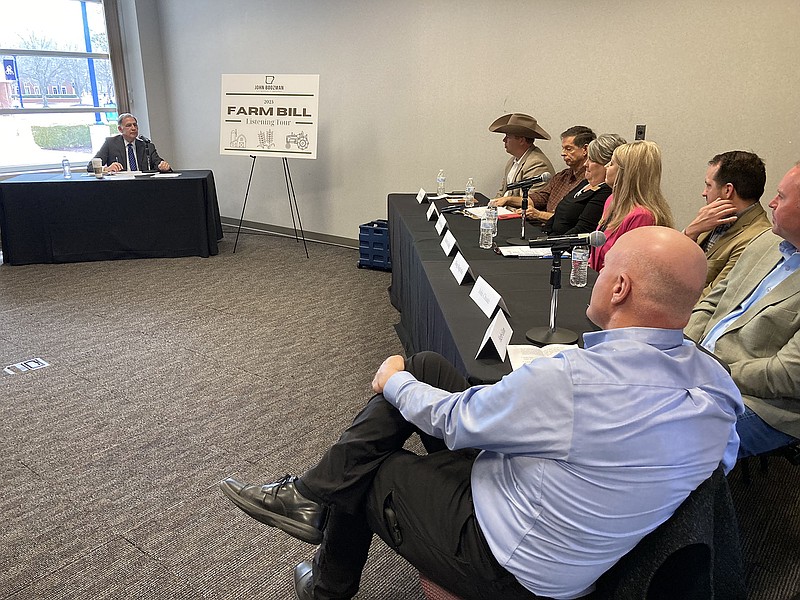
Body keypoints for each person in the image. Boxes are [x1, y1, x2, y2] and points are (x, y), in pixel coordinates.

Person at [219, 227, 742, 600]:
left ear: (621, 289)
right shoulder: (717, 386)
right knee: (428, 366)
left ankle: (327, 579)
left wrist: (391, 380)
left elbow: (456, 422)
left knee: (375, 464)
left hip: (511, 564)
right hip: (571, 530)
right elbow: (717, 468)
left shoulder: (573, 382)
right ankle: (309, 497)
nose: (597, 278)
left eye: (604, 271)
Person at [685, 162, 800, 458]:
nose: (771, 203)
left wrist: (712, 371)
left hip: (765, 403)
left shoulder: (759, 234)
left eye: (781, 197)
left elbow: (787, 374)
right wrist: (685, 348)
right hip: (701, 366)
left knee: (673, 441)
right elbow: (714, 300)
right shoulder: (767, 242)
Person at [683, 151, 772, 299]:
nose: (704, 193)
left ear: (727, 190)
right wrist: (691, 232)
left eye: (708, 185)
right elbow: (670, 269)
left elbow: (713, 298)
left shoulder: (754, 239)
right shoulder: (712, 217)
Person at [589, 140, 674, 271]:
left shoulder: (642, 216)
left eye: (611, 163)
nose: (606, 167)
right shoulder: (611, 201)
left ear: (625, 174)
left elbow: (628, 267)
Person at [533, 133, 626, 235]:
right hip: (549, 240)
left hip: (566, 247)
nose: (586, 164)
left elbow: (582, 230)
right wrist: (541, 237)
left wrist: (549, 244)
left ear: (607, 164)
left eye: (591, 160)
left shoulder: (606, 192)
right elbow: (556, 216)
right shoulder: (585, 182)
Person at [495, 125, 595, 214]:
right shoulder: (562, 176)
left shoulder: (590, 181)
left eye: (568, 149)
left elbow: (568, 219)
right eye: (563, 148)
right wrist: (508, 200)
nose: (563, 153)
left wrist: (539, 215)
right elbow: (540, 198)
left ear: (585, 150)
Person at [488, 113, 554, 198]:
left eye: (508, 137)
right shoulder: (512, 161)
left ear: (521, 140)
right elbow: (502, 192)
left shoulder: (537, 164)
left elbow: (529, 202)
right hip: (505, 209)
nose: (504, 140)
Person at [86, 113, 171, 173]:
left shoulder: (146, 146)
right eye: (128, 125)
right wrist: (106, 169)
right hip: (120, 187)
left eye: (135, 125)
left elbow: (159, 164)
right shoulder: (110, 144)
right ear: (120, 129)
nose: (133, 128)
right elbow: (90, 166)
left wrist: (163, 167)